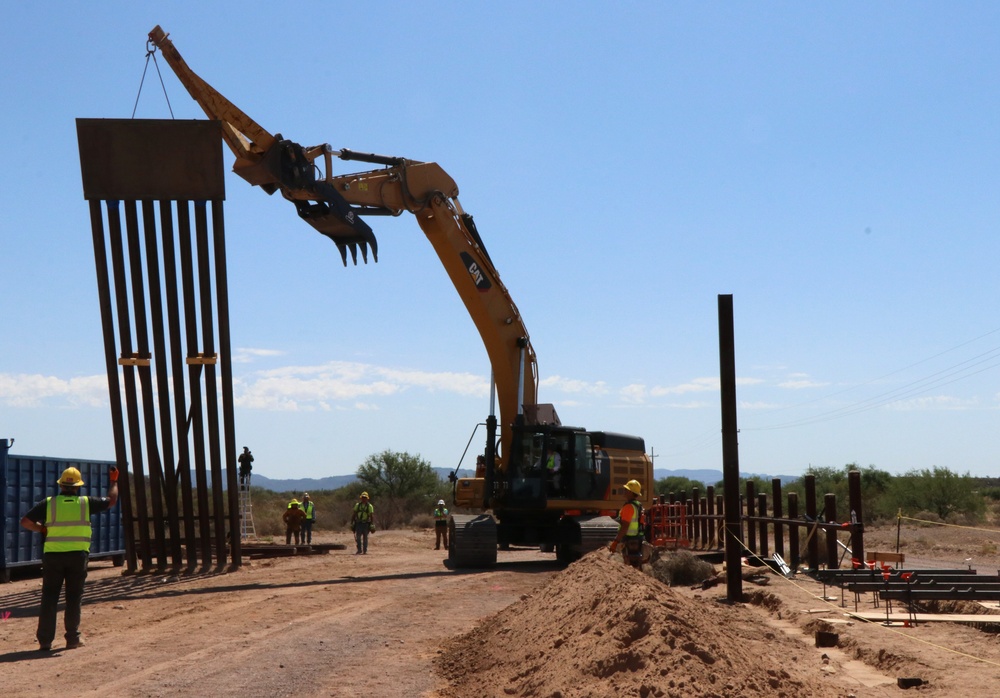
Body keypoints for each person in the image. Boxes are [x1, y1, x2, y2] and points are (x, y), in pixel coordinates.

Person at [20, 465, 119, 652]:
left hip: (53, 556)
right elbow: (112, 500)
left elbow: (25, 522)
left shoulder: (48, 503)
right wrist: (113, 481)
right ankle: (72, 639)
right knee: (74, 597)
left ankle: (45, 642)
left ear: (61, 485)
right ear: (78, 486)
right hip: (77, 556)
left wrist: (42, 528)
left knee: (49, 597)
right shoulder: (86, 502)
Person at [609, 479, 645, 569]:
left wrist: (616, 541)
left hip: (630, 539)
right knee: (636, 564)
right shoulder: (638, 505)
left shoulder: (629, 507)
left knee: (629, 565)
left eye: (626, 489)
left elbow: (625, 526)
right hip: (637, 538)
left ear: (630, 492)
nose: (624, 491)